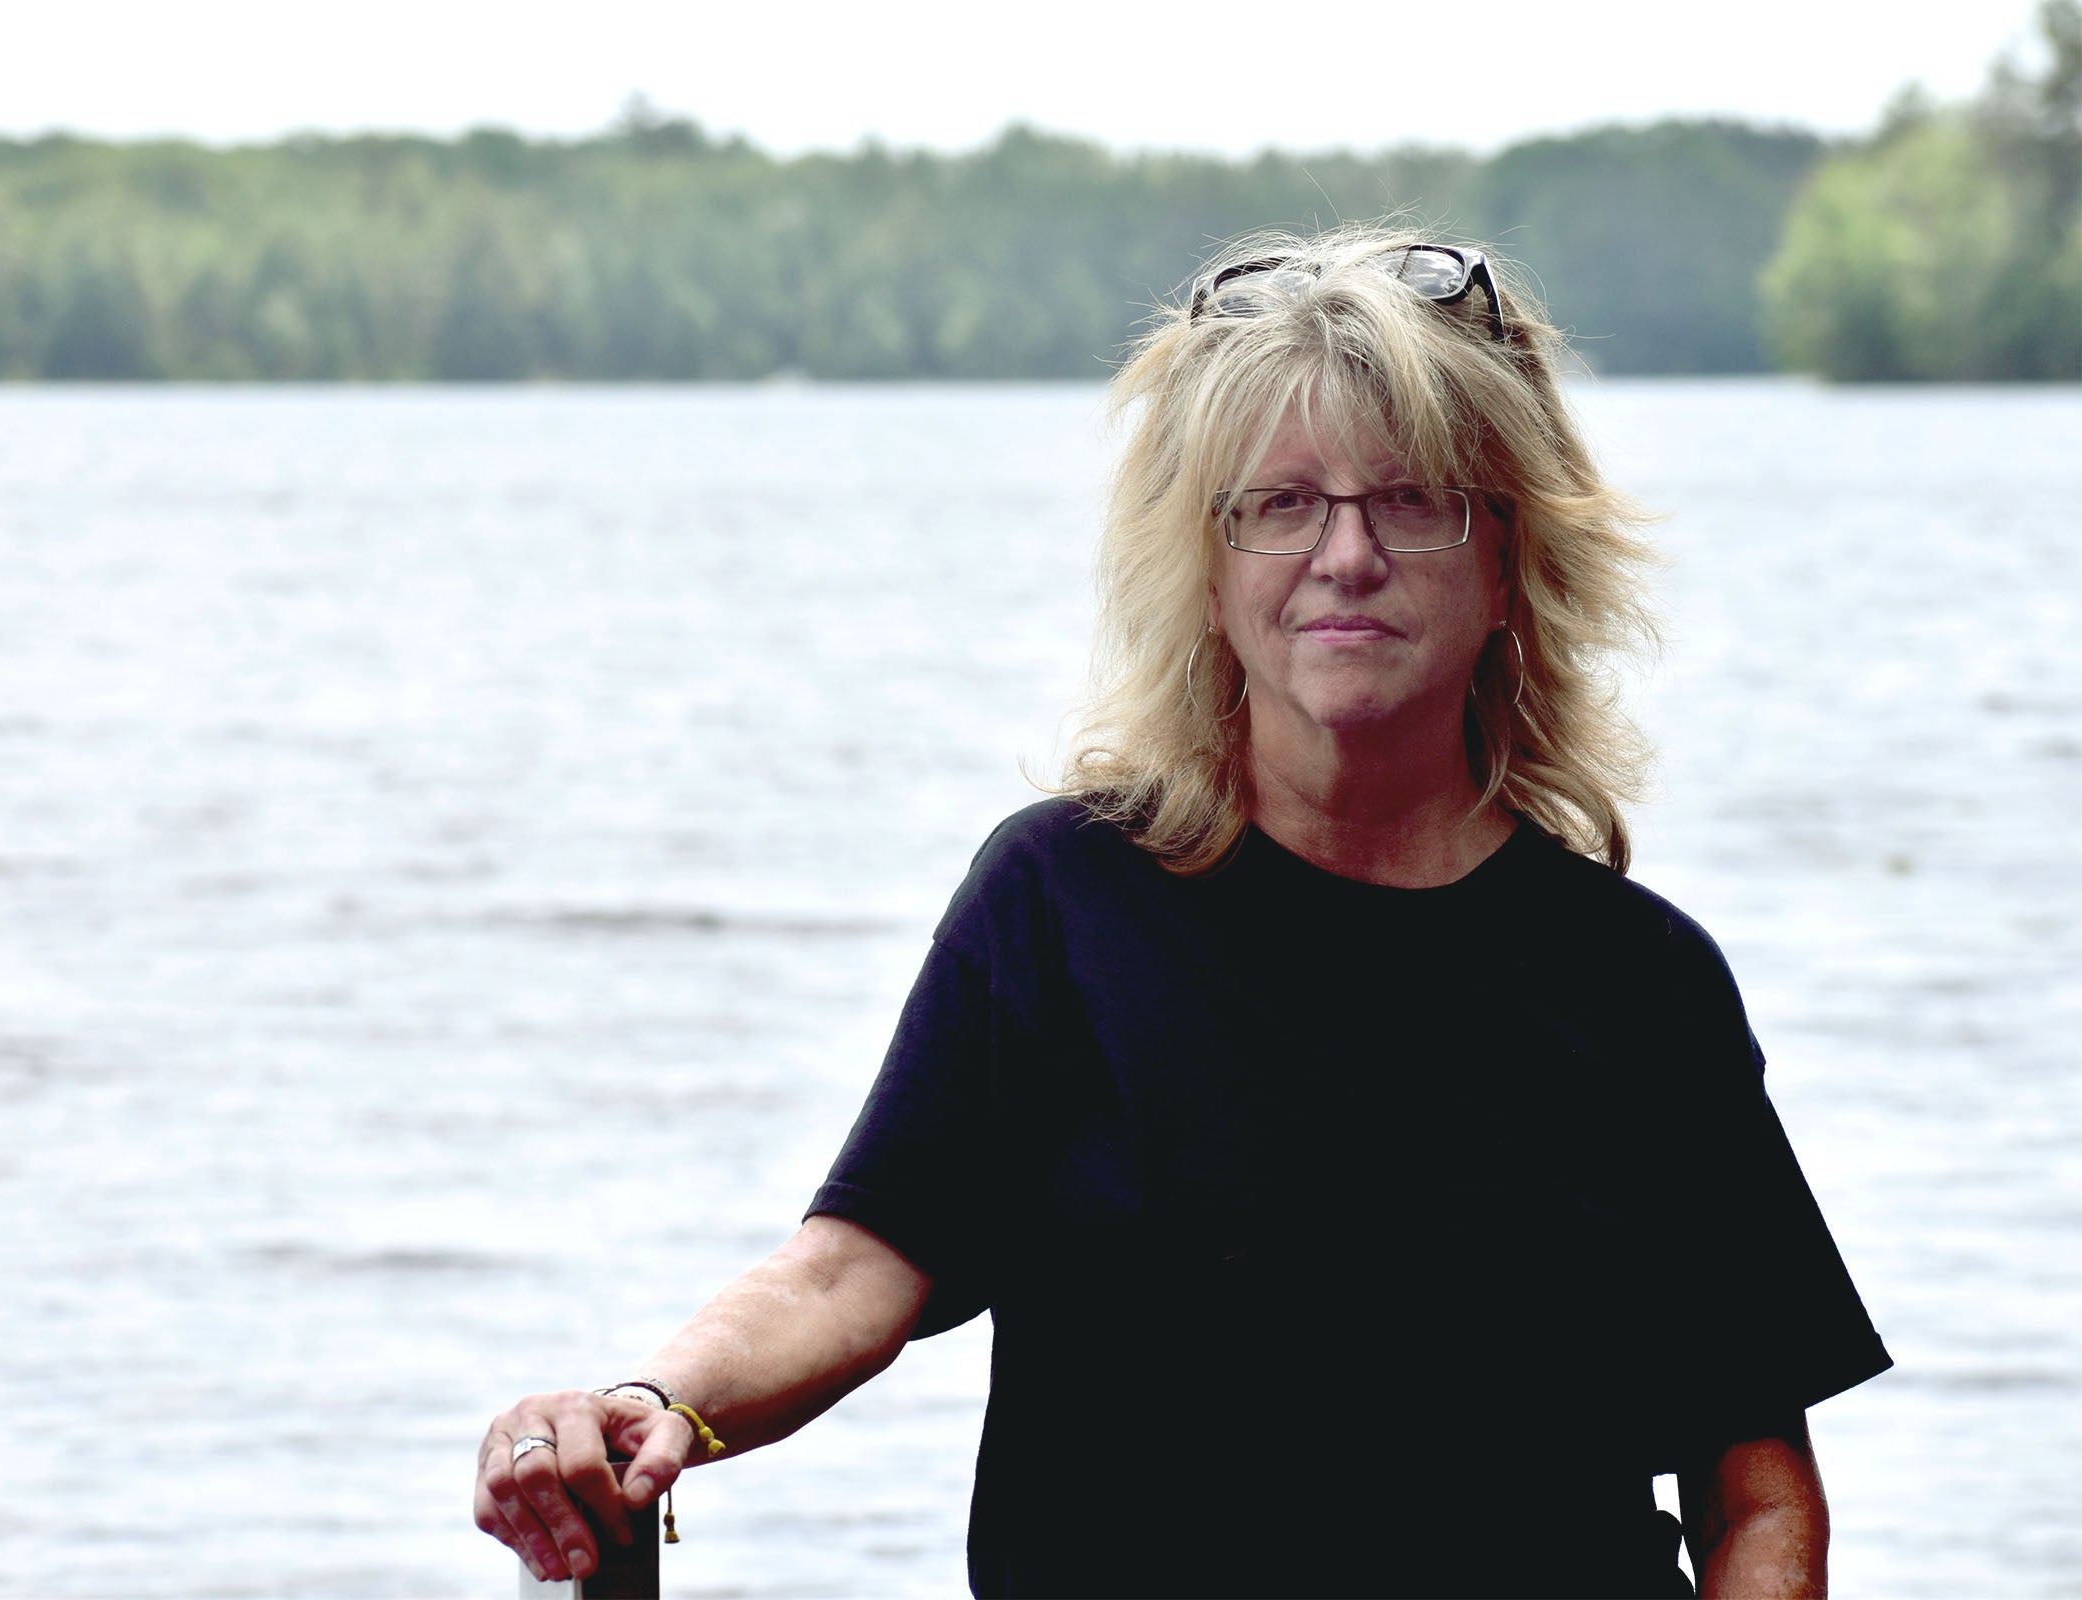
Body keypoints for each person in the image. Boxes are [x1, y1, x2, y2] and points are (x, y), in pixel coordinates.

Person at [472, 225, 1891, 1598]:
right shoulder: (1060, 906)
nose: (1345, 557)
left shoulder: (1637, 984)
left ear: (1511, 563)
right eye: (1278, 505)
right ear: (1206, 573)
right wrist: (654, 1400)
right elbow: (851, 1272)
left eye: (1412, 500)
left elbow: (1757, 1492)